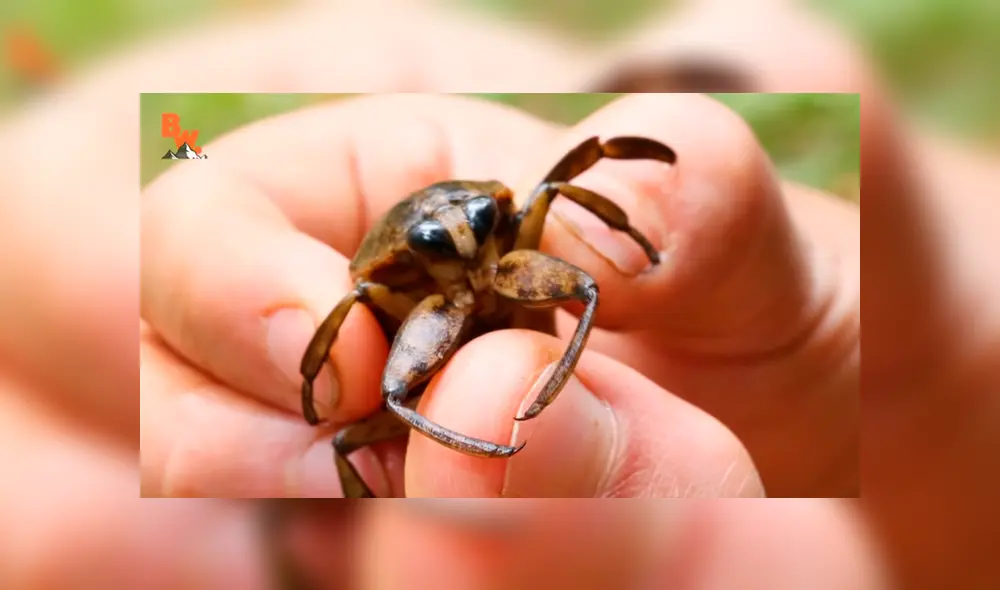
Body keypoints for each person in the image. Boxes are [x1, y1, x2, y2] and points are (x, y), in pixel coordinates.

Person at [0, 1, 996, 588]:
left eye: (487, 223)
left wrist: (626, 249)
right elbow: (343, 324)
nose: (472, 245)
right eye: (448, 240)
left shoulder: (513, 231)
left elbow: (572, 180)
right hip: (419, 332)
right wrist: (321, 372)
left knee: (572, 273)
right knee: (356, 424)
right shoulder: (377, 284)